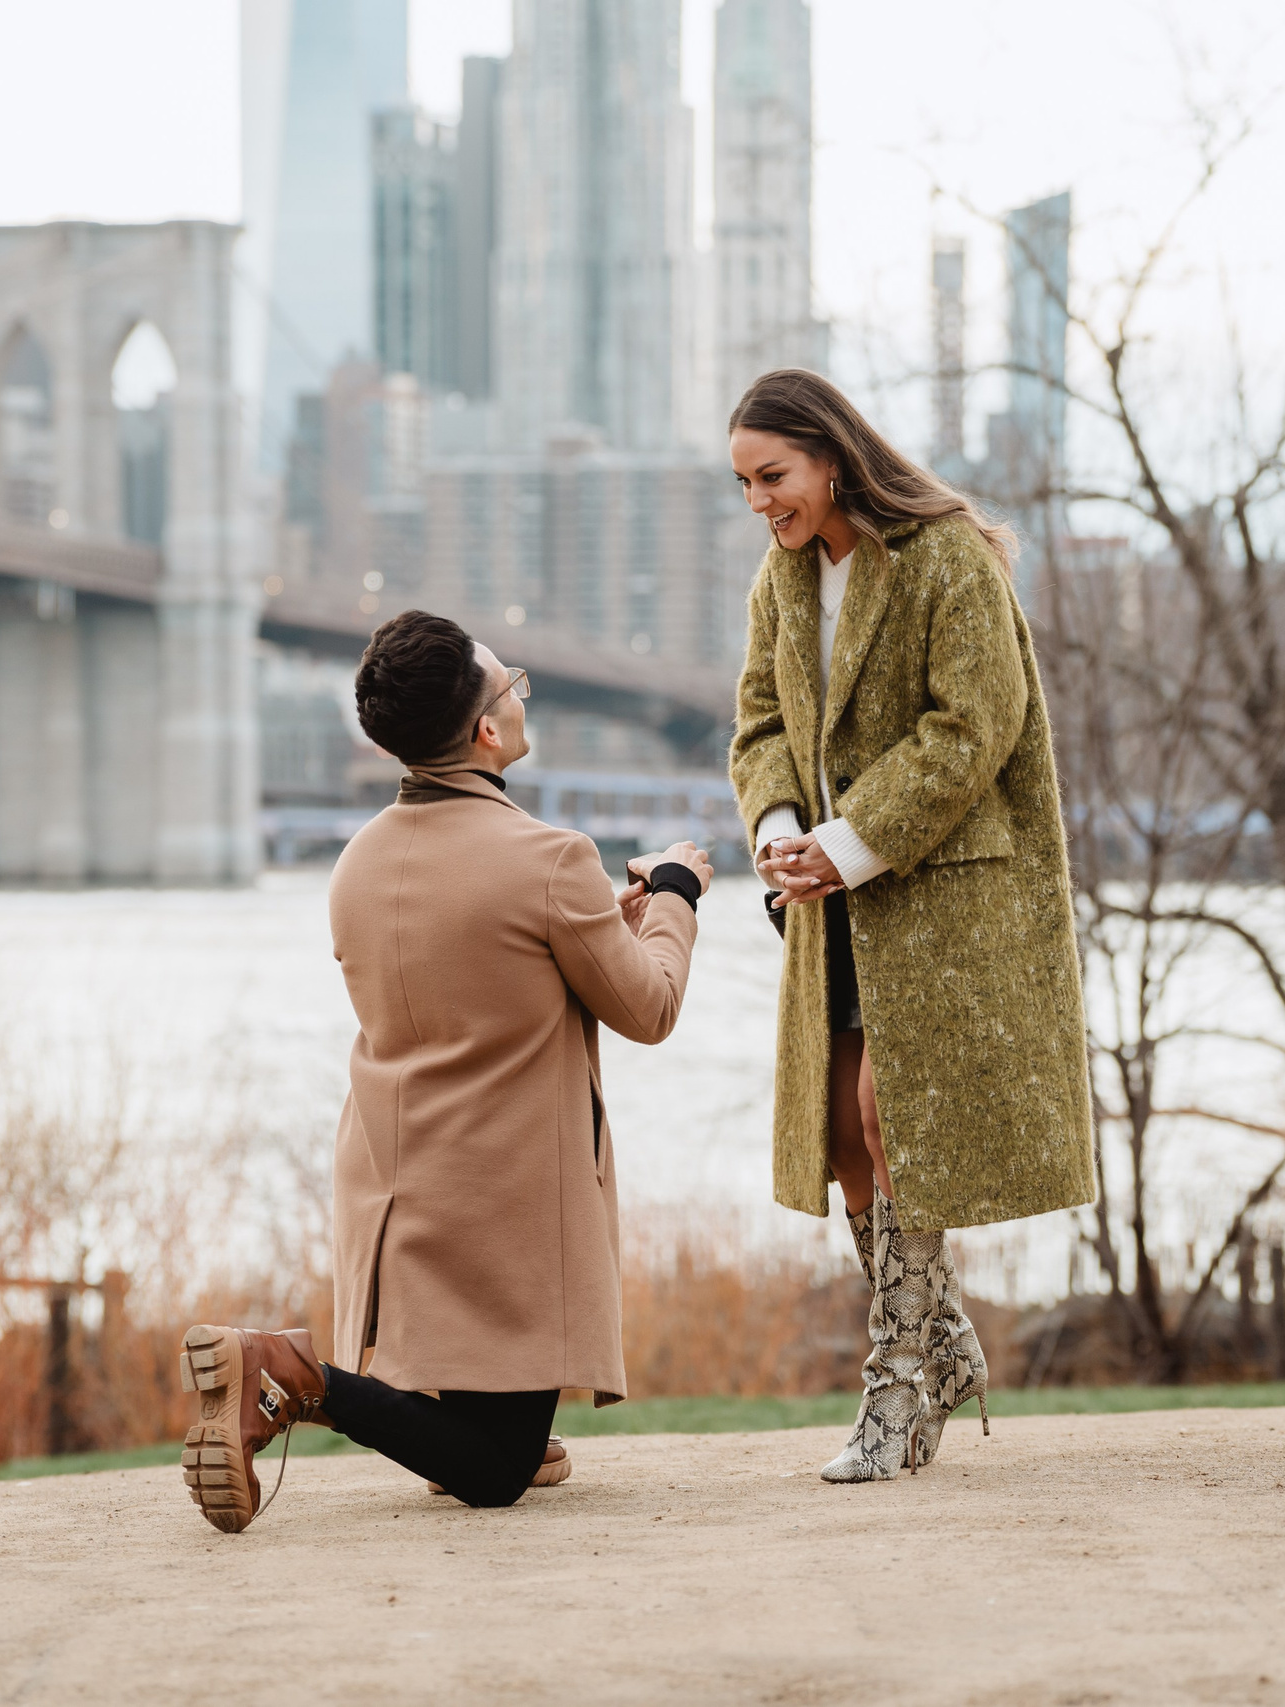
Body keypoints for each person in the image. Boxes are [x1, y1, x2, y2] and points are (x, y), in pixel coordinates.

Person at [180, 609, 713, 1531]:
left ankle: (432, 1415)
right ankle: (288, 1374)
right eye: (514, 686)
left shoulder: (356, 863)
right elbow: (650, 1009)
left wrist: (592, 926)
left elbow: (475, 980)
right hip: (500, 1202)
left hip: (396, 1188)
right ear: (487, 731)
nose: (518, 696)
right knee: (495, 1470)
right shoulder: (554, 859)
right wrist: (674, 895)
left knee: (506, 1447)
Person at [727, 367, 1097, 1482]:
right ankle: (939, 1347)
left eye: (772, 476)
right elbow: (756, 724)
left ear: (833, 455)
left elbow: (974, 726)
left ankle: (891, 1391)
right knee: (844, 1137)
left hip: (938, 898)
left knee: (901, 1126)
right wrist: (781, 830)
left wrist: (844, 844)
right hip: (830, 904)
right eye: (743, 483)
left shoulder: (945, 560)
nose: (759, 503)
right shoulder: (782, 580)